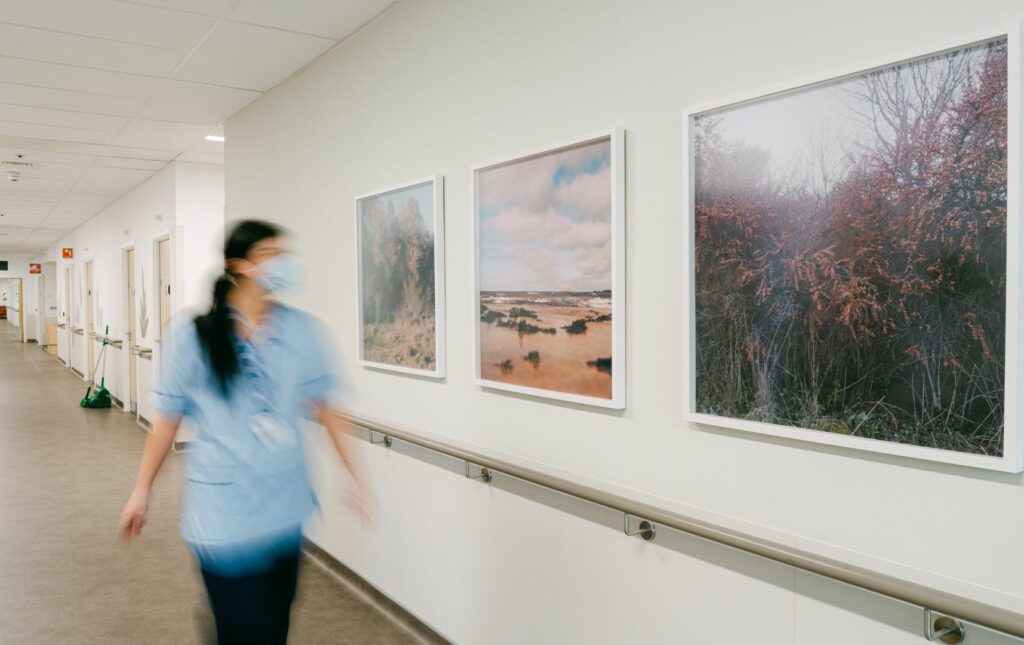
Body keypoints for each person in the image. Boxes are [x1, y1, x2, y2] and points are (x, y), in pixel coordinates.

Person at [117, 220, 369, 645]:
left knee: (274, 628)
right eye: (270, 256)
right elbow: (166, 420)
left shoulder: (304, 332)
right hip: (223, 519)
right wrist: (142, 489)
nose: (283, 265)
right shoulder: (192, 335)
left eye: (283, 254)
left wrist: (356, 476)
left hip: (285, 514)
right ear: (239, 266)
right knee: (242, 631)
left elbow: (328, 408)